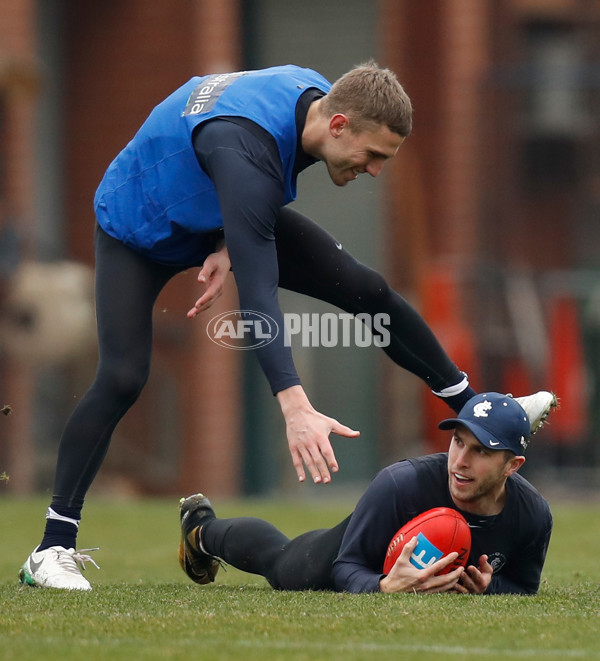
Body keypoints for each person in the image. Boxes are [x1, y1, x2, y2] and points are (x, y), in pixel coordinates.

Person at [19, 62, 556, 590]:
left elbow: (244, 189)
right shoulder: (244, 150)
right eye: (372, 156)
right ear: (339, 125)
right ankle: (51, 548)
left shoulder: (317, 100)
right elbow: (257, 292)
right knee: (122, 376)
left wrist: (226, 238)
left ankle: (476, 410)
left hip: (217, 205)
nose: (374, 171)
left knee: (365, 290)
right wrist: (294, 404)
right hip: (139, 227)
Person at [178, 392, 553, 595]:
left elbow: (522, 586)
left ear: (513, 466)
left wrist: (487, 588)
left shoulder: (533, 515)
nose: (460, 461)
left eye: (482, 451)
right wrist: (385, 585)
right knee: (281, 565)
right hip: (363, 555)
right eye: (458, 442)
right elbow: (346, 568)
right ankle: (200, 528)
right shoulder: (400, 484)